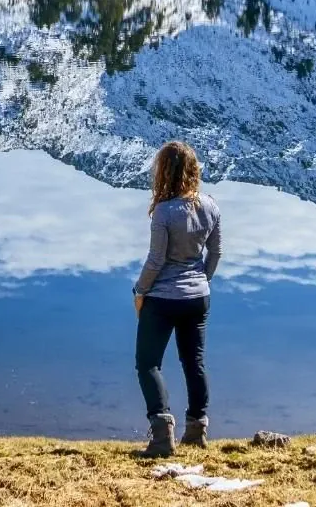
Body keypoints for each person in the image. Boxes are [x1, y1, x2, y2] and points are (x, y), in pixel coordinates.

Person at [131, 139, 222, 457]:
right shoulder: (210, 206)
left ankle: (161, 435)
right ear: (192, 171)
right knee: (194, 363)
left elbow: (156, 261)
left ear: (164, 173)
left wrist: (140, 291)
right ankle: (196, 430)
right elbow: (216, 252)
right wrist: (201, 280)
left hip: (163, 299)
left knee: (147, 364)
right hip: (198, 298)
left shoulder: (164, 213)